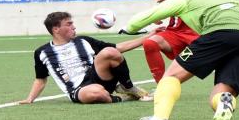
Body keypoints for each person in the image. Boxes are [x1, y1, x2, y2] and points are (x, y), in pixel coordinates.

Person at [19, 12, 147, 105]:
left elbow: (118, 47)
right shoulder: (42, 52)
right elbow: (40, 80)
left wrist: (149, 36)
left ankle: (129, 88)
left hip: (99, 77)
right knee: (96, 93)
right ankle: (123, 98)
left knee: (110, 52)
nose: (73, 27)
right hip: (78, 90)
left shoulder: (83, 40)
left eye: (72, 23)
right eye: (69, 24)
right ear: (56, 29)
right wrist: (30, 98)